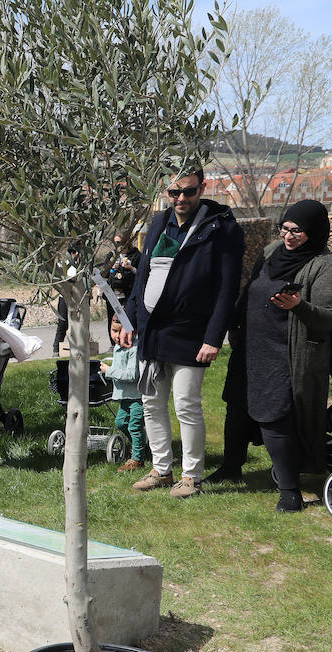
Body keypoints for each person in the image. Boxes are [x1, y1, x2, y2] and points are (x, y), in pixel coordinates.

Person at [217, 200, 332, 511]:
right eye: (285, 229)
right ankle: (230, 469)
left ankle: (290, 491)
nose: (289, 237)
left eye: (297, 232)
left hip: (287, 355)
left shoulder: (327, 266)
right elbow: (251, 290)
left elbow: (330, 317)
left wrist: (298, 306)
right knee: (237, 408)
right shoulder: (272, 251)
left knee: (274, 417)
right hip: (250, 347)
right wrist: (233, 323)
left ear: (315, 232)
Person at [122, 168, 244, 498]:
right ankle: (161, 470)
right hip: (153, 331)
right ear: (165, 190)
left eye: (188, 192)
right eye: (174, 192)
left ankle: (192, 476)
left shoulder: (222, 228)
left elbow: (227, 288)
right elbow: (142, 278)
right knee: (151, 403)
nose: (181, 199)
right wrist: (129, 320)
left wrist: (213, 337)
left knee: (186, 404)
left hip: (192, 332)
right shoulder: (159, 223)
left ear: (202, 188)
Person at [100, 317, 145, 471]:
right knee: (120, 423)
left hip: (137, 397)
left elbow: (132, 375)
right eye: (114, 331)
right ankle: (140, 444)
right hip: (124, 396)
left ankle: (138, 459)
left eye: (120, 331)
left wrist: (109, 371)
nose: (117, 336)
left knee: (134, 426)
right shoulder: (118, 348)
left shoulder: (133, 348)